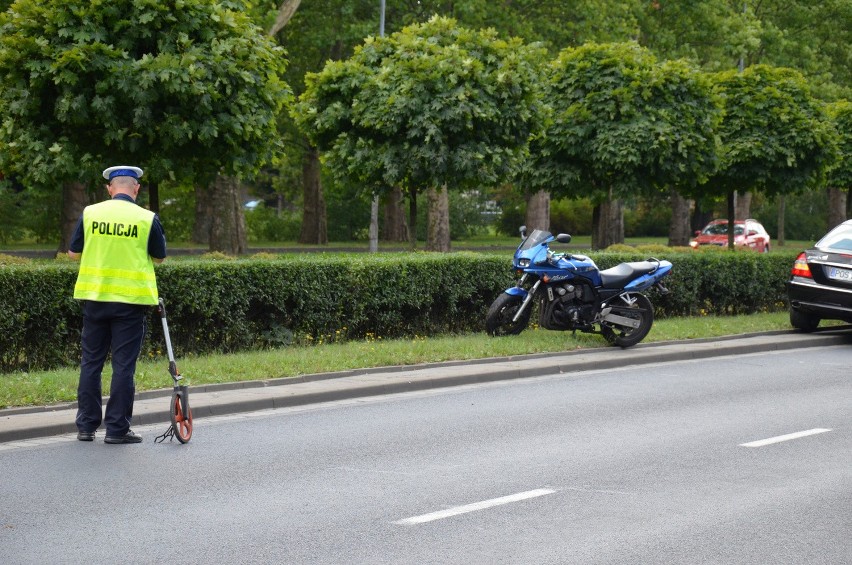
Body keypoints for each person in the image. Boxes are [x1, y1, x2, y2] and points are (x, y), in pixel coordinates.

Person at [68, 165, 167, 444]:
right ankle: (116, 430)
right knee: (123, 366)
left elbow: (73, 254)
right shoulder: (146, 218)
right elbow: (159, 258)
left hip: (95, 299)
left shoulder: (91, 213)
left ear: (110, 189)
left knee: (91, 363)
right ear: (136, 189)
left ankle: (86, 427)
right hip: (130, 303)